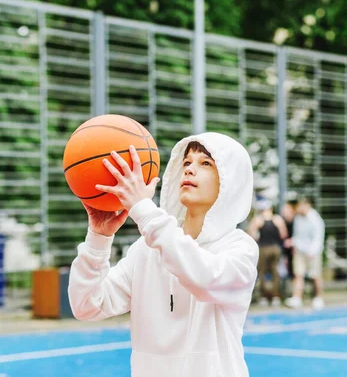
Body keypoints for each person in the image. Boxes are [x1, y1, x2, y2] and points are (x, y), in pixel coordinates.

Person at [68, 133, 259, 377]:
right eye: (187, 162)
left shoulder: (240, 248)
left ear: (230, 182)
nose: (189, 170)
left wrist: (145, 211)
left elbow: (203, 278)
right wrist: (98, 238)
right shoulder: (148, 247)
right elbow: (86, 305)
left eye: (206, 163)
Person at [283, 196, 326, 310]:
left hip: (313, 252)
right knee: (298, 275)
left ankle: (318, 297)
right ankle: (297, 298)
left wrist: (312, 251)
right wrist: (294, 244)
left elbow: (318, 237)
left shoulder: (315, 219)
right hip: (300, 251)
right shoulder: (298, 218)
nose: (299, 208)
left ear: (307, 205)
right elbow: (297, 234)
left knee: (315, 276)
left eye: (301, 206)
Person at [247, 197, 287, 307]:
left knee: (262, 272)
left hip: (263, 248)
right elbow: (283, 234)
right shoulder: (277, 219)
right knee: (275, 272)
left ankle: (264, 296)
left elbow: (250, 234)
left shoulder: (258, 220)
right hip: (275, 248)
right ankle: (275, 296)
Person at [280, 199, 298, 280]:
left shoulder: (297, 221)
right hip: (285, 249)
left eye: (286, 210)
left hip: (294, 248)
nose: (284, 212)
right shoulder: (282, 221)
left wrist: (293, 242)